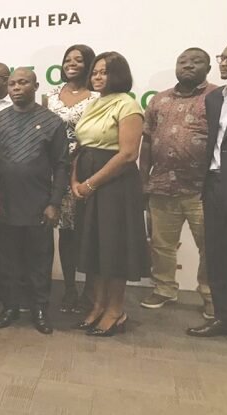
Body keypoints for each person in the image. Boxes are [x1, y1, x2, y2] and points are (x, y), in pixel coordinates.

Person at [0, 68, 69, 335]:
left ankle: (40, 308)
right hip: (4, 204)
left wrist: (54, 202)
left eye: (23, 83)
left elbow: (61, 166)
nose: (16, 88)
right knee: (7, 260)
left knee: (39, 260)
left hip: (39, 204)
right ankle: (10, 307)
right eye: (12, 84)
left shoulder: (52, 122)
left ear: (36, 86)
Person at [72, 52, 149, 336]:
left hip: (115, 186)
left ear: (119, 74)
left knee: (114, 249)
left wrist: (91, 183)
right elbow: (82, 146)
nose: (97, 77)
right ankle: (98, 305)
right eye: (95, 72)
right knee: (96, 248)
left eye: (104, 72)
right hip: (89, 181)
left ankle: (116, 310)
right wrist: (75, 180)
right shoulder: (94, 102)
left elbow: (128, 154)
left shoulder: (128, 104)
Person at [140, 48, 216, 317]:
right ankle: (164, 288)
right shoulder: (159, 100)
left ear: (208, 68)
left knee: (210, 246)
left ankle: (211, 294)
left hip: (204, 189)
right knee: (161, 245)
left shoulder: (217, 98)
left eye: (196, 61)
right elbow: (147, 141)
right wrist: (143, 179)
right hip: (162, 186)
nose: (188, 66)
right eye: (182, 61)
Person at [45, 45, 99, 313]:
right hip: (54, 170)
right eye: (68, 59)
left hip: (86, 169)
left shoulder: (98, 97)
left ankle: (90, 290)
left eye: (79, 60)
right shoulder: (50, 96)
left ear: (89, 64)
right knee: (65, 232)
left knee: (88, 231)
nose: (72, 64)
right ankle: (69, 289)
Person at [187, 41, 227, 337]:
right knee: (217, 254)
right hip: (215, 184)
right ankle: (224, 318)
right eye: (223, 57)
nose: (224, 62)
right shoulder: (215, 98)